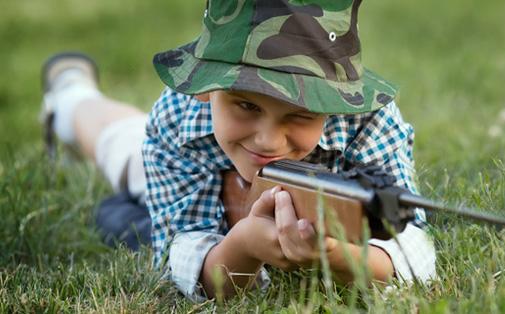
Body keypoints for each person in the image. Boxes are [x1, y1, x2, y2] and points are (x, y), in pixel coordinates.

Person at [41, 0, 436, 300]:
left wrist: (334, 256)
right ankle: (70, 96)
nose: (267, 140)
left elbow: (414, 253)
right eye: (247, 105)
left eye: (300, 116)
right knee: (122, 148)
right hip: (188, 166)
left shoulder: (367, 121)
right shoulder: (179, 119)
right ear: (205, 89)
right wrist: (244, 245)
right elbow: (180, 260)